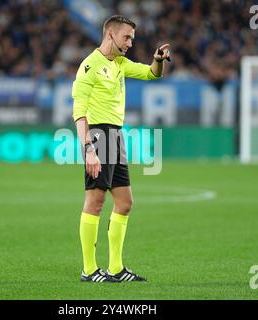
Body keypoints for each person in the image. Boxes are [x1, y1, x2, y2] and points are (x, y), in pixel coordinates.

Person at [72, 15, 170, 282]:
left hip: (115, 135)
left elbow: (152, 74)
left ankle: (116, 268)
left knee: (125, 203)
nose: (130, 43)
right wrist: (88, 148)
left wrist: (158, 60)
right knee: (95, 201)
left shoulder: (120, 64)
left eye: (132, 38)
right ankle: (89, 269)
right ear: (110, 35)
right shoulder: (90, 66)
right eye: (126, 37)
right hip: (97, 135)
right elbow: (79, 113)